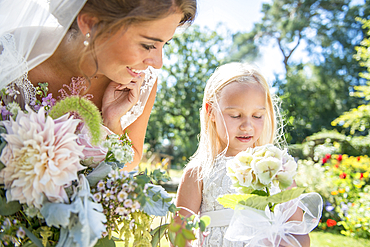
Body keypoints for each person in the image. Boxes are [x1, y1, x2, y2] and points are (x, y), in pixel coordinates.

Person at [0, 0, 197, 171]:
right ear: (90, 23)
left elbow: (132, 159)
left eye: (165, 44)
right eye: (148, 45)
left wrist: (112, 123)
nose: (158, 62)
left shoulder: (142, 82)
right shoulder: (8, 57)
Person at [175, 62, 311, 246]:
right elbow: (179, 236)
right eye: (235, 115)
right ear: (211, 112)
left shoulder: (276, 168)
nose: (247, 126)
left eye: (257, 116)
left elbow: (299, 231)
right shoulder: (199, 171)